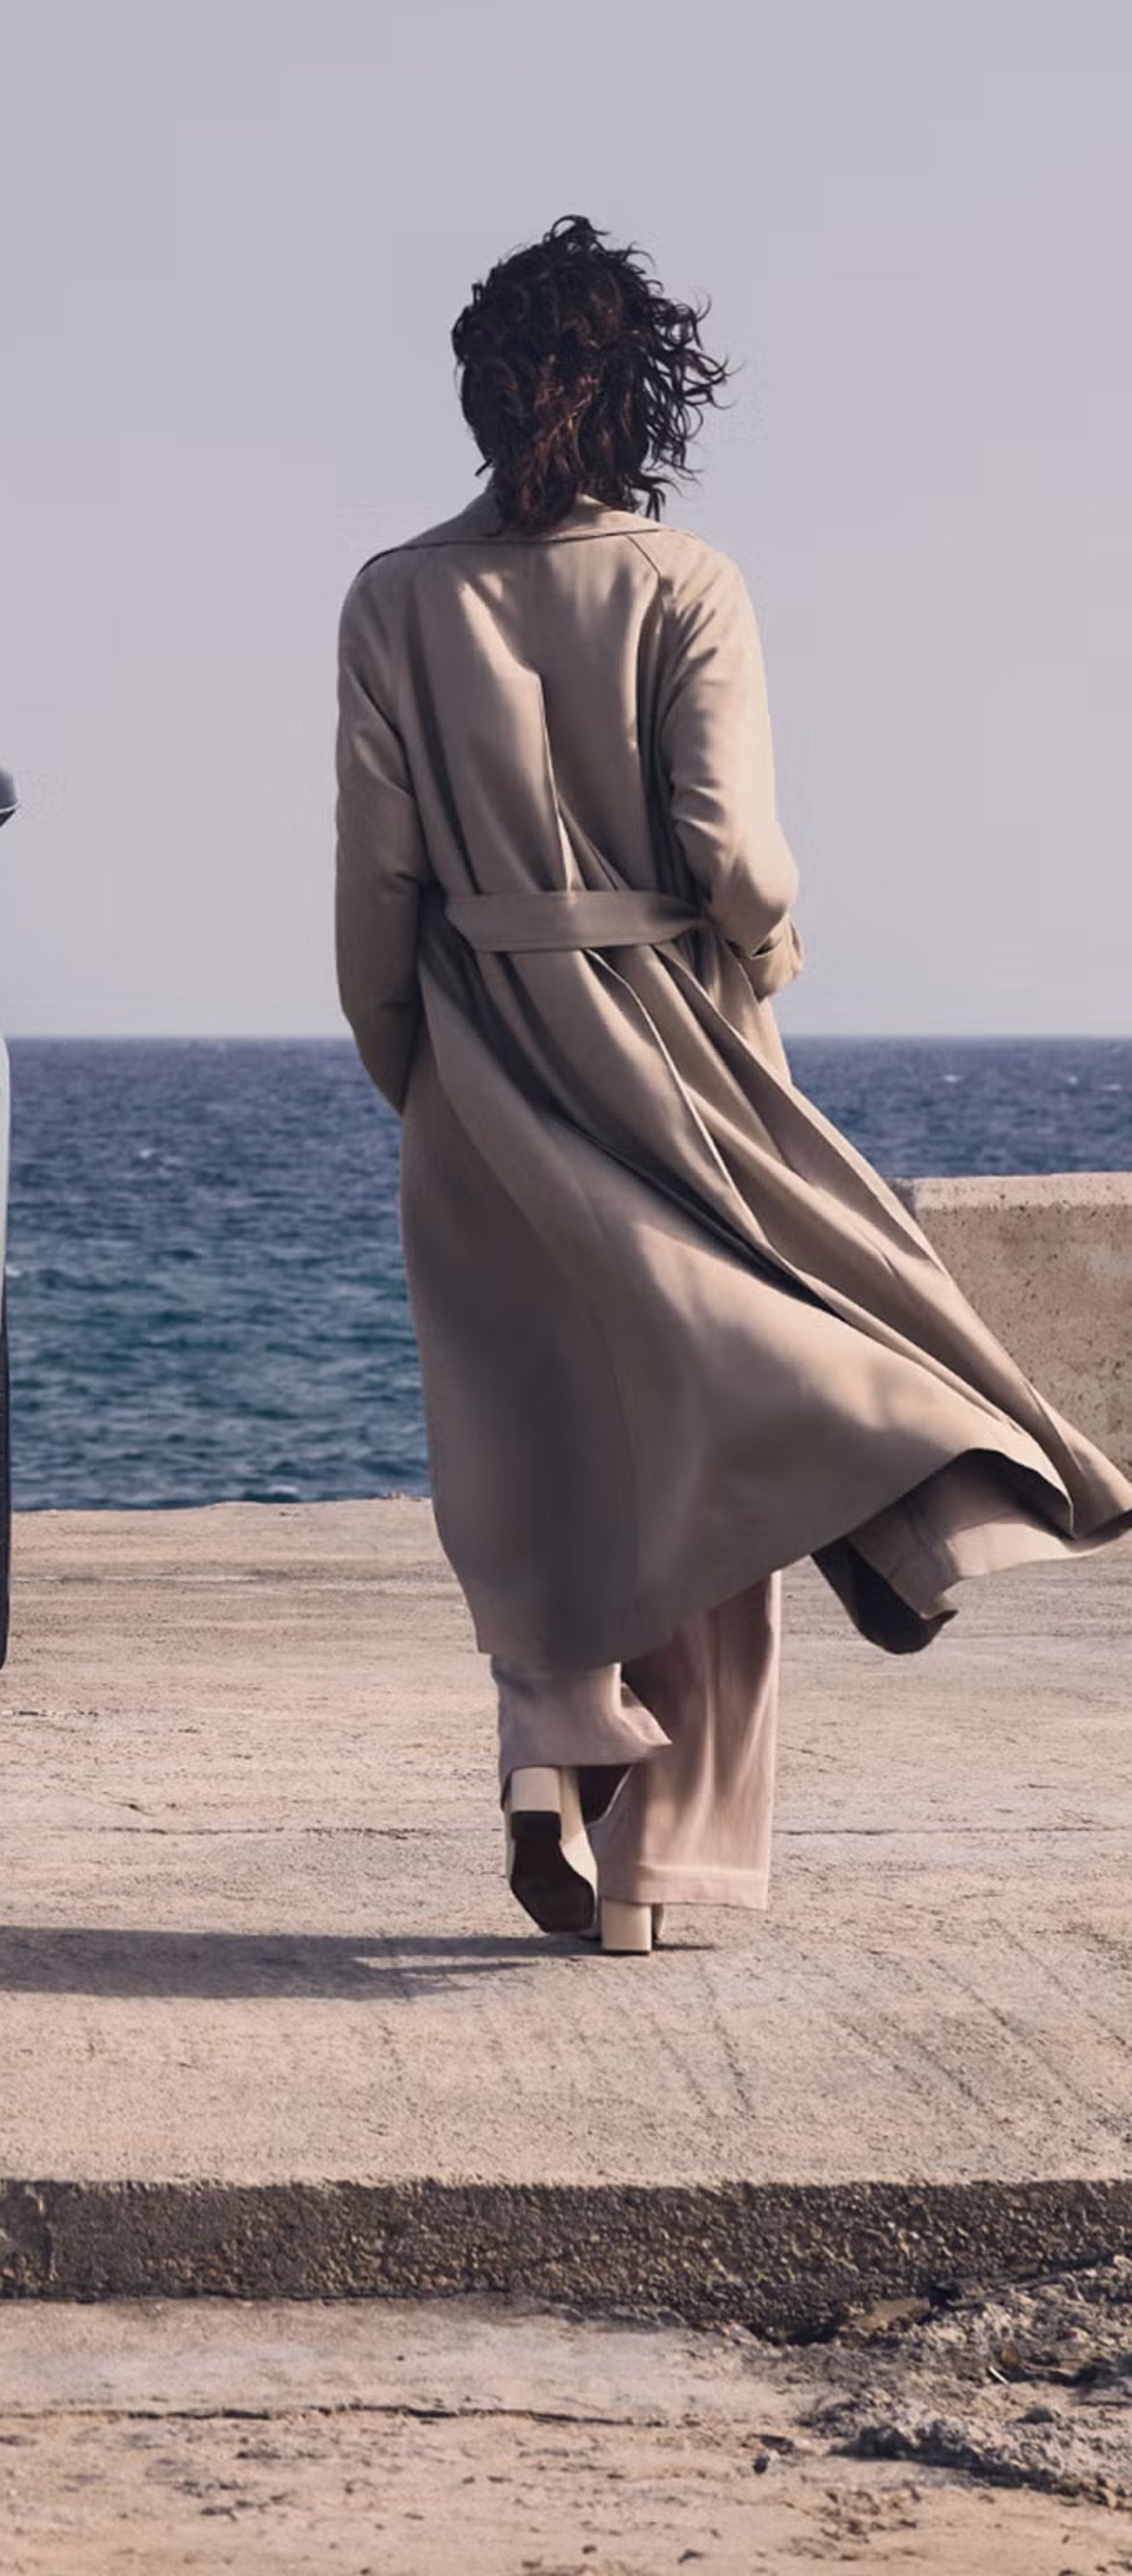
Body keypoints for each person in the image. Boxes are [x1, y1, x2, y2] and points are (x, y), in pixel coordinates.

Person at [332, 219, 1128, 1955]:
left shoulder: (395, 594)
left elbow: (377, 884)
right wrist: (762, 961)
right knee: (714, 1429)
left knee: (536, 1434)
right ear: (642, 395)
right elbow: (734, 853)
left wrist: (419, 1066)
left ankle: (551, 1739)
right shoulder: (687, 582)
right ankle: (660, 1861)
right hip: (674, 1041)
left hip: (476, 1049)